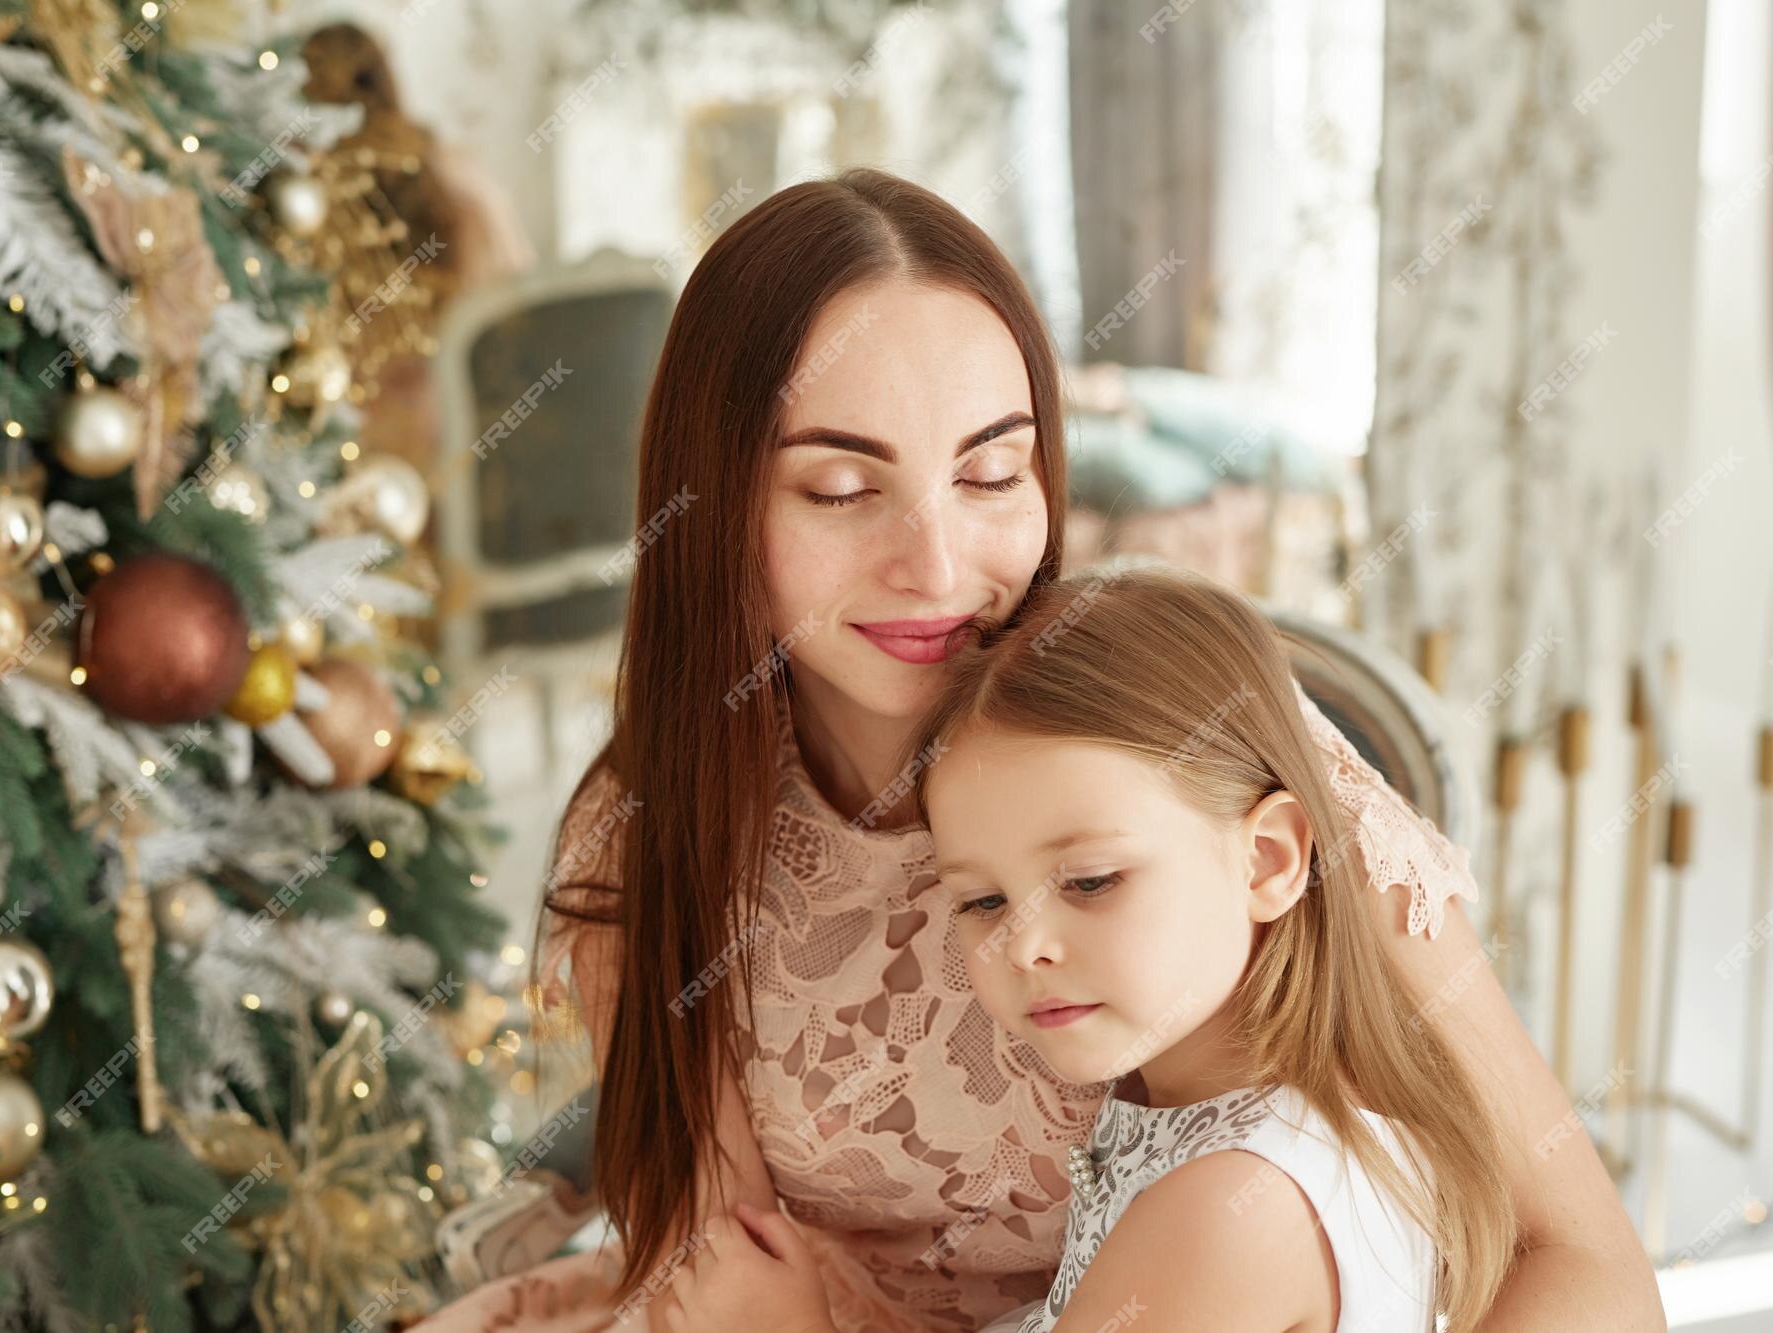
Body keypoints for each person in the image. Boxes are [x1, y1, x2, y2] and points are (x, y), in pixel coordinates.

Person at [414, 168, 1658, 1332]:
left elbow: (1585, 1264)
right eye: (842, 491)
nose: (940, 566)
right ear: (711, 507)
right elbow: (732, 1285)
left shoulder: (1192, 747)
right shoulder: (659, 829)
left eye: (992, 472)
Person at [660, 568, 1520, 1332]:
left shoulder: (1229, 1210)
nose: (1023, 944)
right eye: (984, 899)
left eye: (1092, 881)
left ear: (1268, 859)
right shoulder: (1234, 1131)